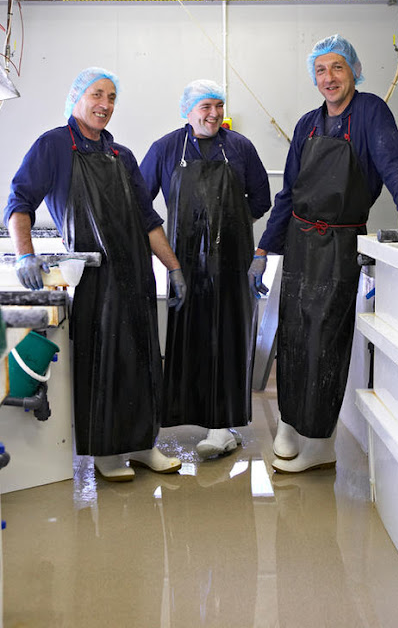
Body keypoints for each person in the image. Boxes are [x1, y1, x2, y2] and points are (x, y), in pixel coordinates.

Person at [248, 34, 398, 474]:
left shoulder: (370, 112)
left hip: (341, 245)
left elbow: (396, 169)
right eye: (320, 71)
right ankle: (291, 424)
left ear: (353, 70)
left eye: (337, 68)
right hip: (299, 243)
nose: (328, 78)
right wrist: (263, 248)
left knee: (324, 343)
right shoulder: (308, 124)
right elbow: (288, 193)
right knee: (293, 339)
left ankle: (321, 441)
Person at [5, 67, 187, 482]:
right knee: (104, 363)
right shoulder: (53, 145)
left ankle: (144, 446)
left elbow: (148, 220)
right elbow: (20, 202)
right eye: (96, 95)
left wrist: (173, 267)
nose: (104, 105)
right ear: (76, 98)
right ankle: (107, 453)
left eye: (111, 98)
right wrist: (24, 255)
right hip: (94, 278)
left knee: (142, 362)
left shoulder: (121, 155)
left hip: (137, 276)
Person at [140, 79, 271, 458]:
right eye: (205, 106)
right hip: (184, 266)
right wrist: (171, 256)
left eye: (218, 105)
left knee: (228, 339)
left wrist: (227, 226)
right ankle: (187, 415)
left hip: (233, 265)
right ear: (188, 110)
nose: (213, 113)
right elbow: (141, 204)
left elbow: (261, 198)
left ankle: (222, 426)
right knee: (190, 338)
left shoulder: (241, 147)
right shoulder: (166, 148)